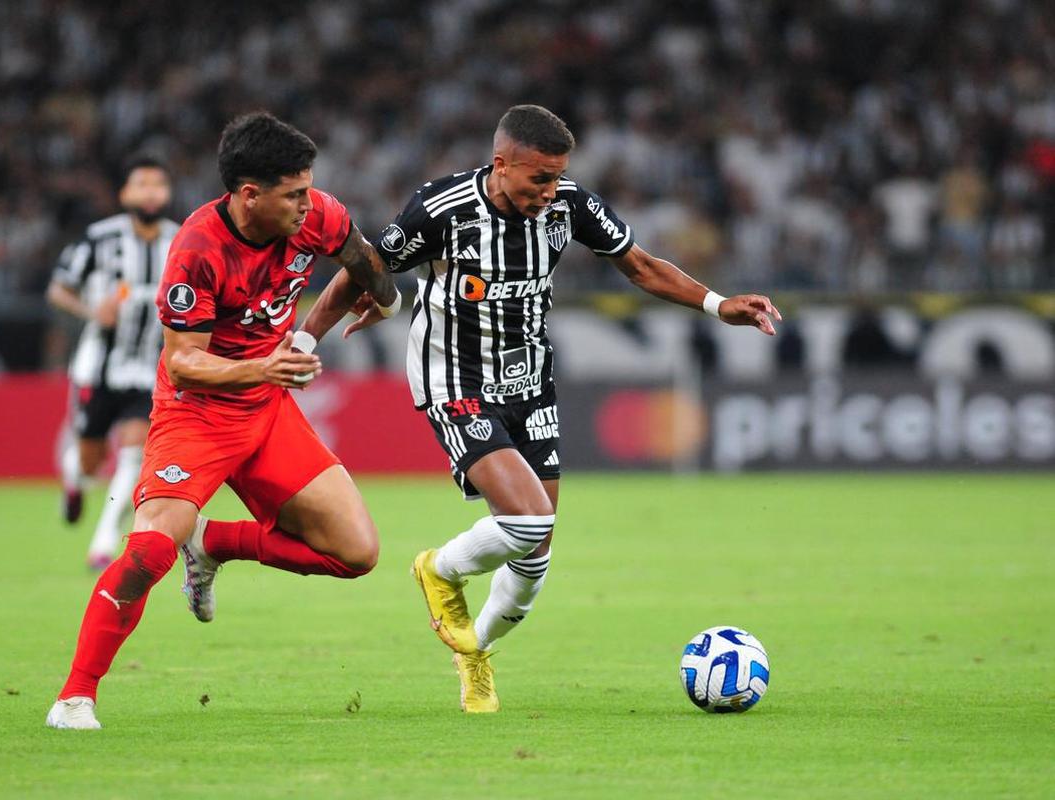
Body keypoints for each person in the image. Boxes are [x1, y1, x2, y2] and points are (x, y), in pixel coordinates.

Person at [371, 105, 779, 712]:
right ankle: (439, 568)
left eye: (559, 176)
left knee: (535, 556)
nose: (551, 190)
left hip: (529, 380)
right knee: (528, 520)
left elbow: (639, 266)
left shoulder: (571, 207)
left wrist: (719, 305)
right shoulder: (442, 208)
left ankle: (474, 653)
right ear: (501, 164)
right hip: (455, 376)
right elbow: (370, 263)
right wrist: (306, 336)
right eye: (540, 177)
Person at [46, 112, 399, 729]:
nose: (307, 204)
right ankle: (75, 697)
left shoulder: (316, 214)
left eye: (309, 189)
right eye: (294, 194)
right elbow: (183, 365)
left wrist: (385, 297)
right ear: (248, 194)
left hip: (268, 410)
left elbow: (358, 256)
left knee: (356, 552)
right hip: (198, 413)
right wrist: (266, 368)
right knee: (151, 548)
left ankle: (213, 542)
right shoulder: (198, 248)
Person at [47, 155, 179, 570]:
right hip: (98, 366)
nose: (151, 192)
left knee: (134, 454)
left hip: (149, 368)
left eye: (158, 184)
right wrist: (91, 311)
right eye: (142, 184)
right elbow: (58, 289)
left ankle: (102, 542)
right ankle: (74, 481)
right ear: (125, 193)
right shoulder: (99, 239)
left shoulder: (180, 241)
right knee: (89, 459)